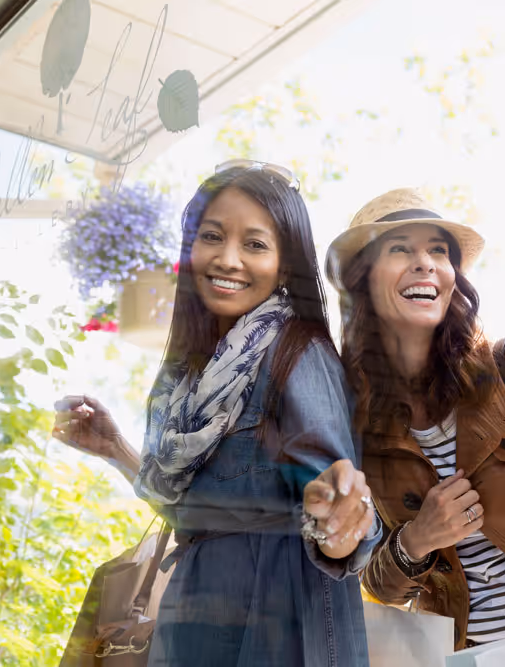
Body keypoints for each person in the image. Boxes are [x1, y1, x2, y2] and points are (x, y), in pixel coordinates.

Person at [52, 163, 377, 667]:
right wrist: (115, 448)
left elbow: (342, 519)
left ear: (284, 262)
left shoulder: (296, 350)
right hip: (196, 614)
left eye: (254, 244)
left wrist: (339, 516)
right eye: (212, 237)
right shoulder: (194, 375)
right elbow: (195, 515)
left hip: (278, 619)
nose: (228, 260)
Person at [325, 187, 505, 650]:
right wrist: (416, 540)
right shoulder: (355, 426)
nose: (425, 262)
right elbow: (376, 582)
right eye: (400, 249)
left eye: (438, 250)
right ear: (364, 280)